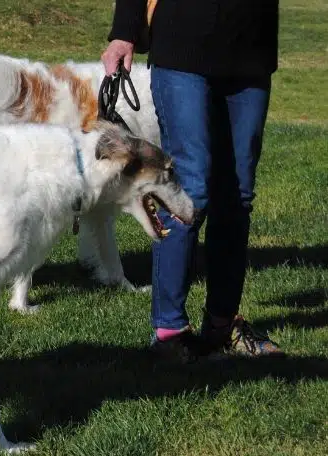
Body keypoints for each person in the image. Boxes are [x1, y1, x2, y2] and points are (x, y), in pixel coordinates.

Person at [101, 0, 284, 359]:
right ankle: (170, 332)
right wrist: (124, 31)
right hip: (183, 46)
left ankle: (221, 326)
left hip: (252, 52)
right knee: (191, 188)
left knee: (237, 195)